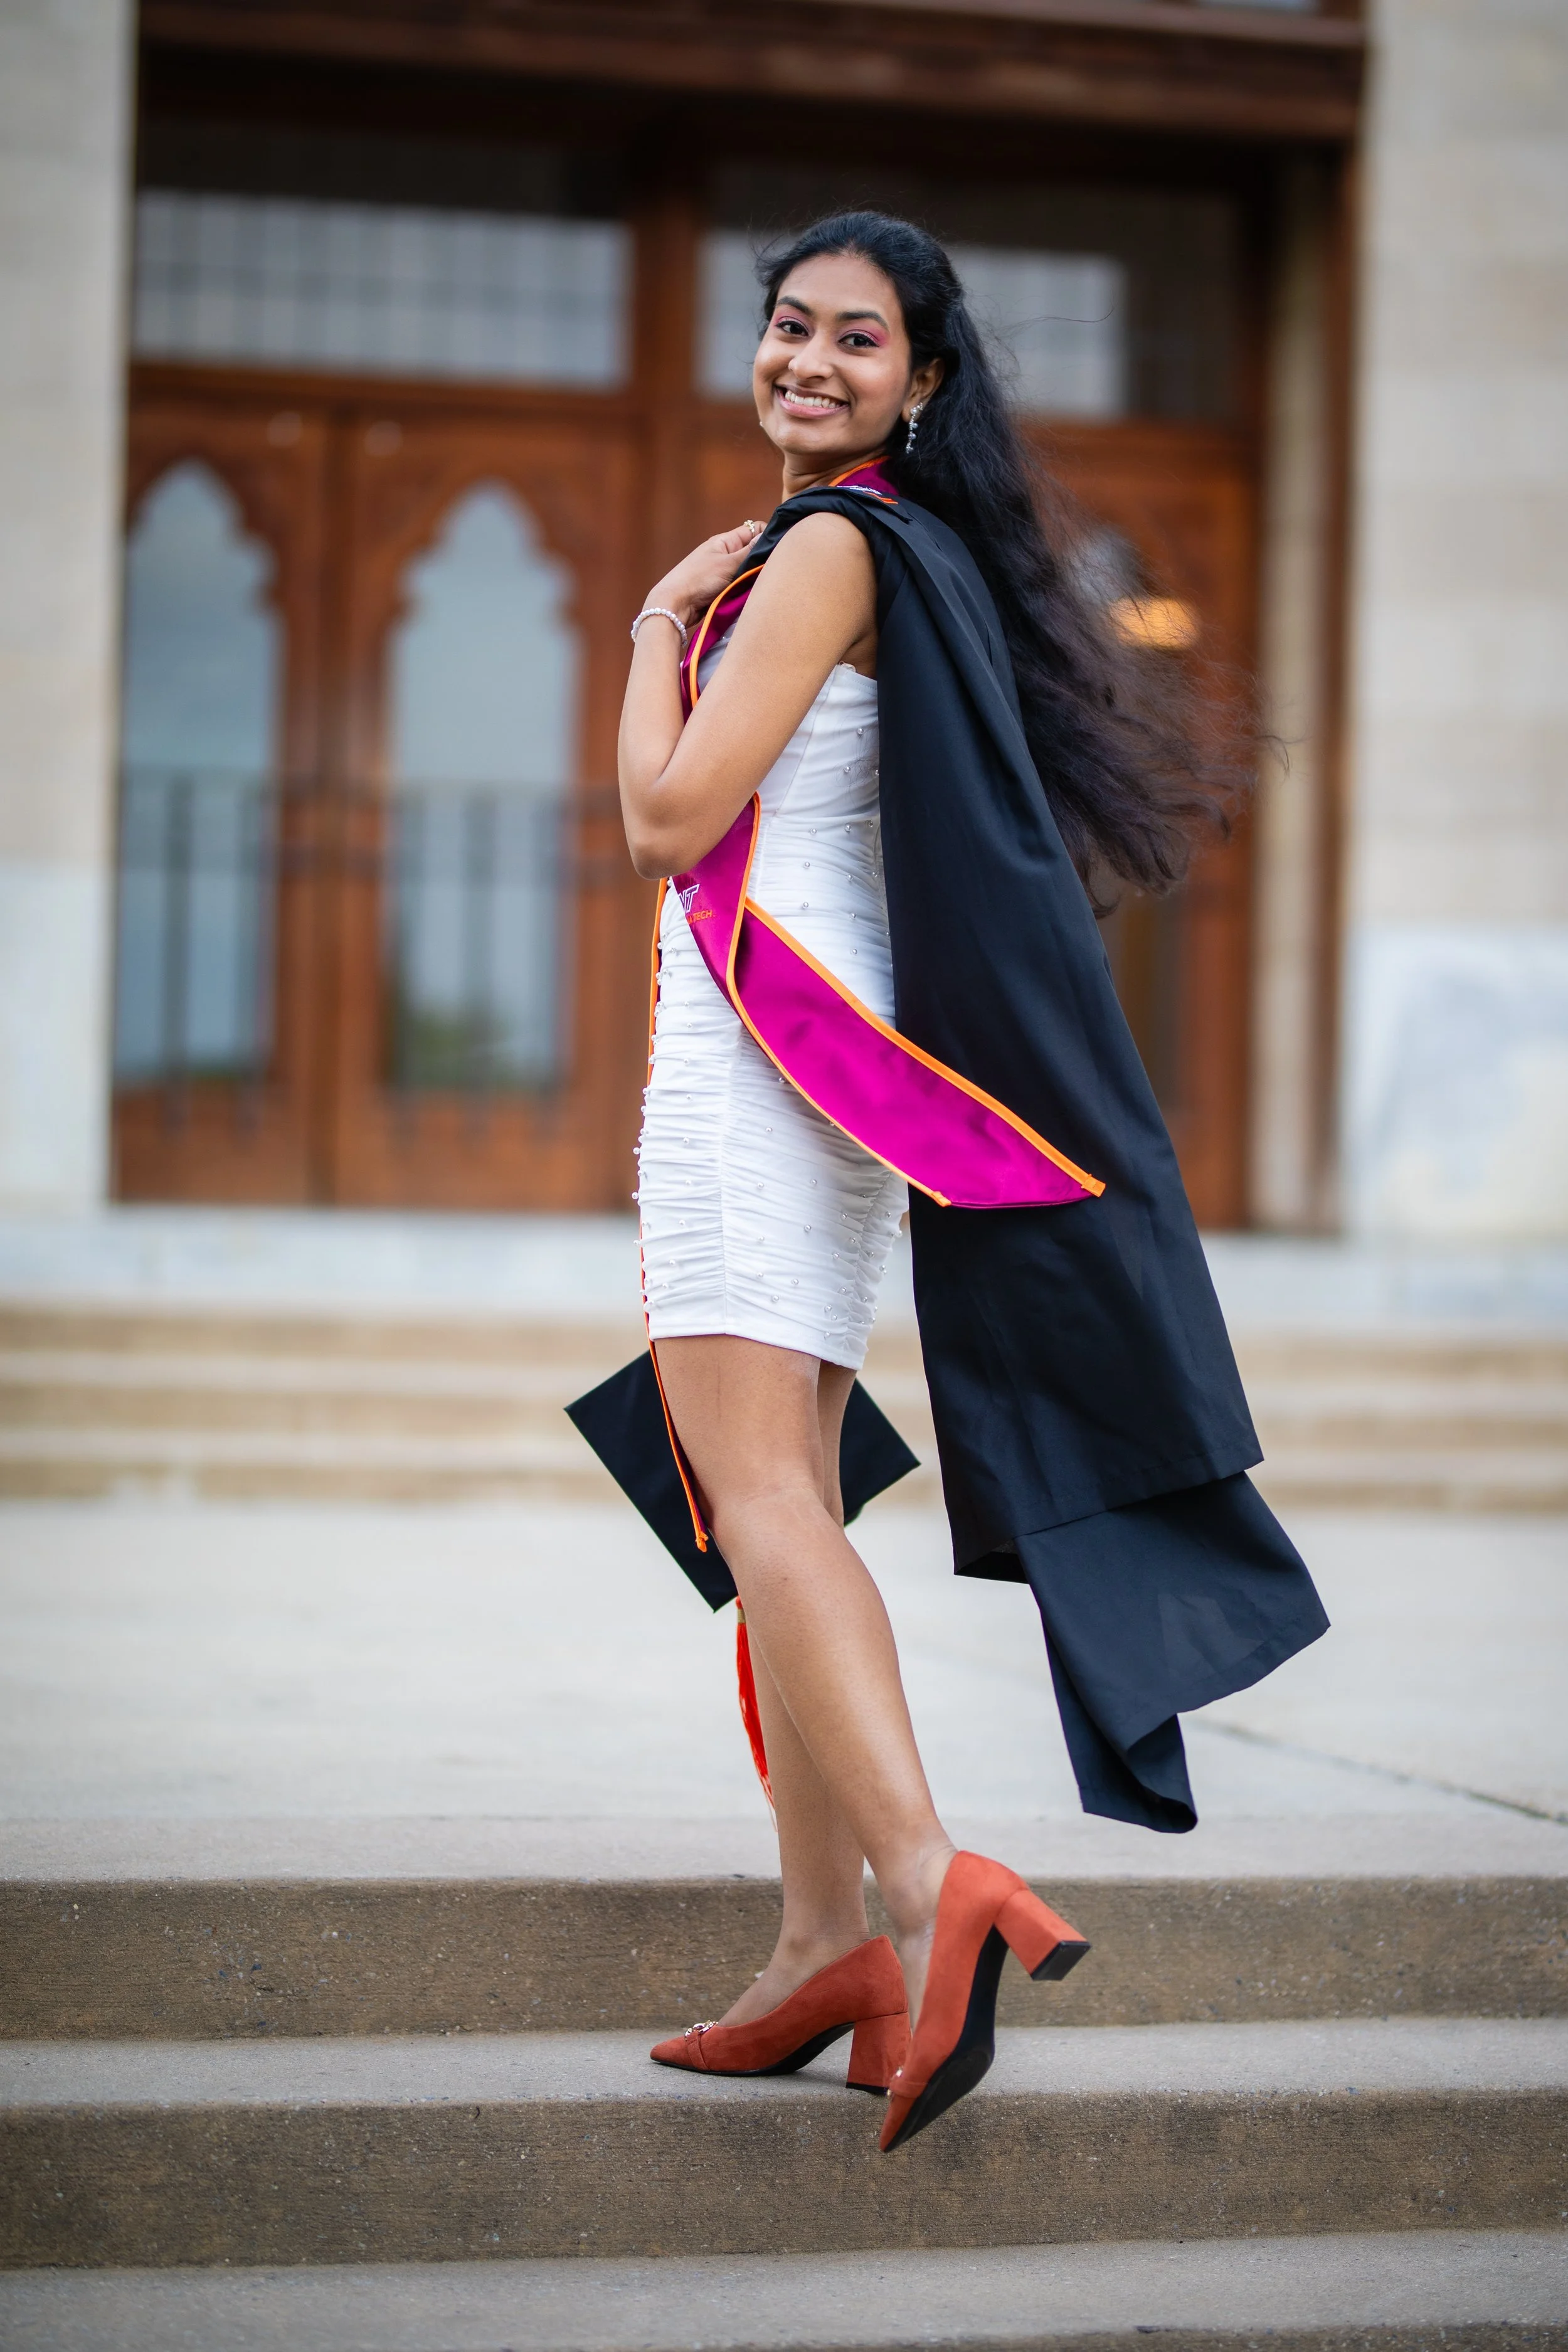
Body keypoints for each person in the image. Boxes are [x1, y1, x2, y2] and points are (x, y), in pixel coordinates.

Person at [611, 212, 1327, 2154]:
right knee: (780, 1510)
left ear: (921, 381)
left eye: (857, 338)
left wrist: (649, 634)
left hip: (761, 1078)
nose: (809, 360)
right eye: (786, 326)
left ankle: (928, 1891)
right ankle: (815, 1943)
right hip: (825, 1094)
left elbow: (669, 817)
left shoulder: (827, 549)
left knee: (761, 1498)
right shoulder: (881, 553)